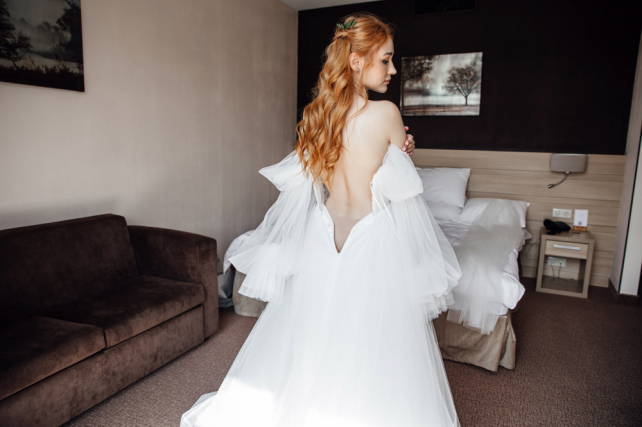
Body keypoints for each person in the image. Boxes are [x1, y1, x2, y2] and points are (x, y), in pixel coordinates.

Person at [181, 12, 462, 427]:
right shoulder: (386, 113)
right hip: (370, 231)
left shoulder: (319, 114)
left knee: (310, 327)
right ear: (356, 61)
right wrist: (404, 150)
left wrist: (398, 150)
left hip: (322, 230)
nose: (392, 70)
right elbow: (399, 189)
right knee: (370, 337)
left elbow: (318, 176)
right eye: (385, 60)